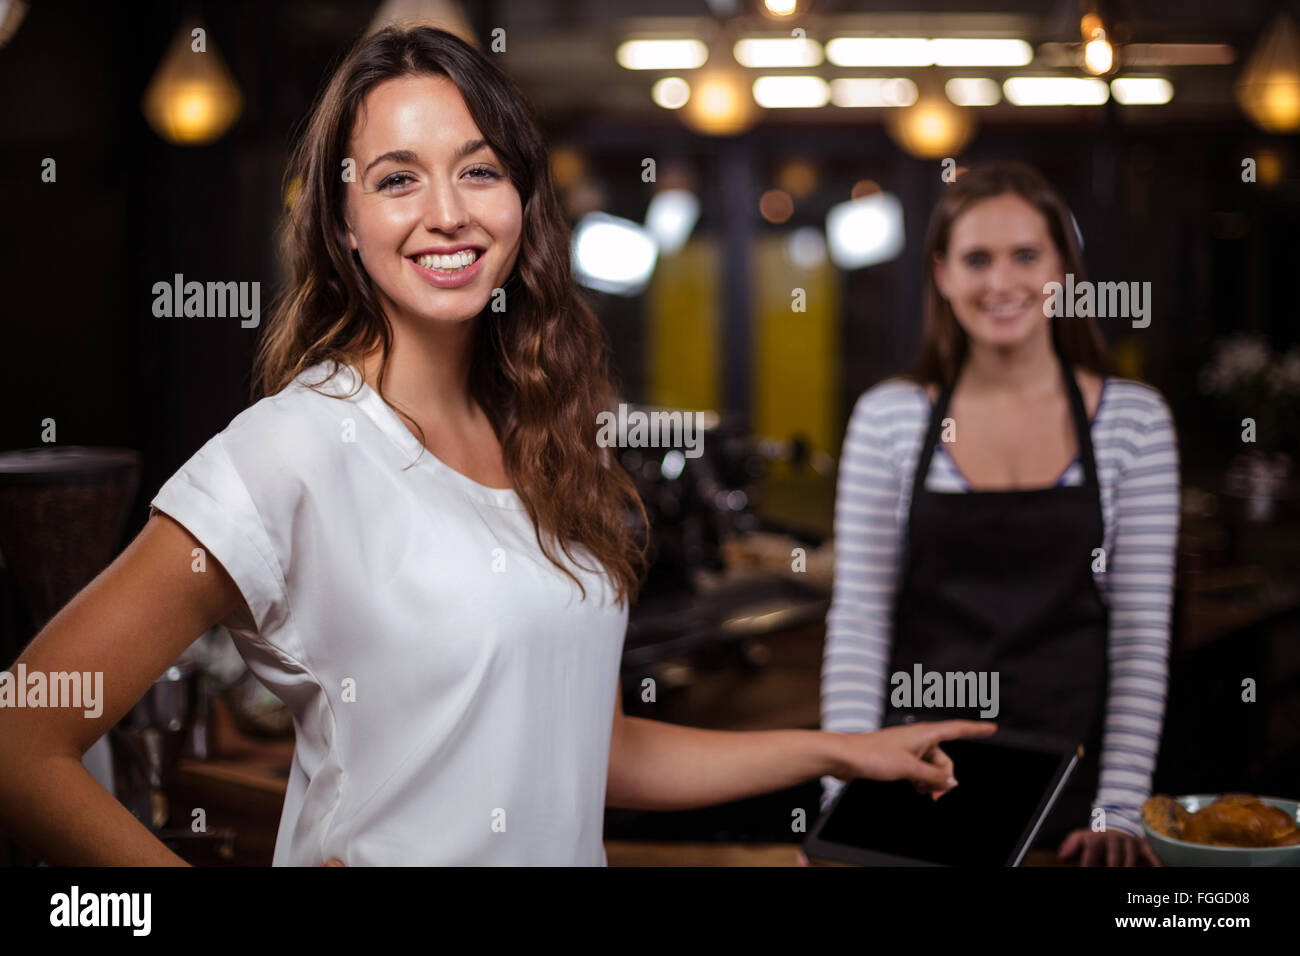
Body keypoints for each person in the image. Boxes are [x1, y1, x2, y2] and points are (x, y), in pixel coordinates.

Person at [0, 25, 993, 867]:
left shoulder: (554, 440)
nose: (447, 211)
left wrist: (837, 751)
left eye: (478, 169)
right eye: (398, 178)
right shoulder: (291, 450)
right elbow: (21, 740)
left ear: (521, 199)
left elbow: (591, 750)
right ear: (343, 220)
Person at [820, 162, 1180, 867]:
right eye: (976, 259)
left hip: (1077, 795)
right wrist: (844, 799)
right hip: (916, 780)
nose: (1001, 282)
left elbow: (1141, 632)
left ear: (1063, 270)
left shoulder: (1134, 421)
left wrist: (1120, 810)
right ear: (943, 275)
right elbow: (861, 621)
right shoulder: (888, 418)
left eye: (1026, 256)